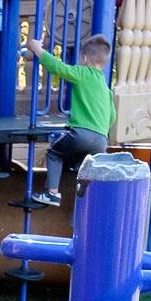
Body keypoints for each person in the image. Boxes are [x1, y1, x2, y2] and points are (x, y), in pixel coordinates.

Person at [24, 33, 115, 207]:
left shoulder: (83, 72)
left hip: (81, 133)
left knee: (54, 153)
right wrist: (99, 128)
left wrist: (38, 49)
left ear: (85, 58)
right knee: (83, 165)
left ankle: (52, 193)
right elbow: (113, 116)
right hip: (101, 140)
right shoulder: (105, 87)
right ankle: (87, 199)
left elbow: (58, 68)